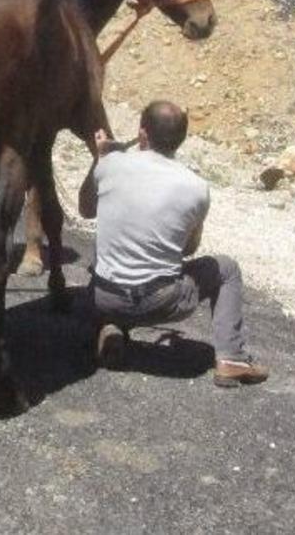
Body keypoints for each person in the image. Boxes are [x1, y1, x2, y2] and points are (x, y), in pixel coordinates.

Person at [78, 100, 269, 387]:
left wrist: (101, 156)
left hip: (105, 297)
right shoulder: (196, 187)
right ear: (181, 139)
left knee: (107, 242)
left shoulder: (110, 165)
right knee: (226, 269)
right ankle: (232, 357)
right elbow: (189, 249)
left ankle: (111, 324)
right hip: (161, 302)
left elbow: (86, 209)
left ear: (142, 134)